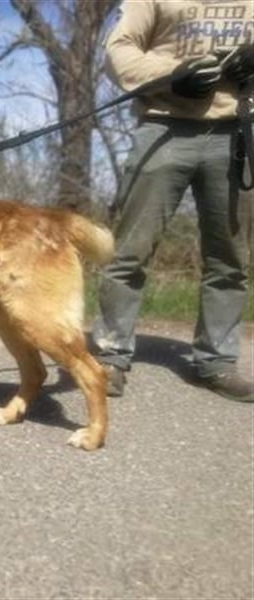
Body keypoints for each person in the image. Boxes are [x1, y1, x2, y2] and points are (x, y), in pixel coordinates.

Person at [93, 0, 254, 402]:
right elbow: (118, 48)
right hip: (163, 127)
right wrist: (171, 75)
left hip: (236, 132)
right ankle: (111, 355)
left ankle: (216, 360)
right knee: (128, 250)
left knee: (230, 258)